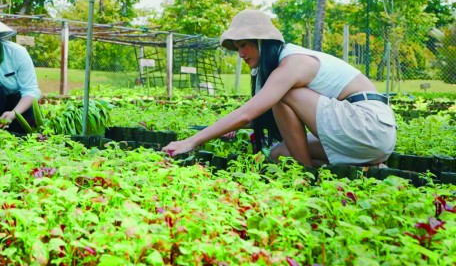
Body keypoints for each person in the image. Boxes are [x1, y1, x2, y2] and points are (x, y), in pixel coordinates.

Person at [162, 9, 397, 167]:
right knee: (277, 154)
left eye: (244, 45)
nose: (241, 54)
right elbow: (255, 116)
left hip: (366, 126)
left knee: (282, 95)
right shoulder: (282, 68)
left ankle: (307, 175)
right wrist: (228, 128)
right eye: (237, 48)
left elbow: (249, 111)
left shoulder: (292, 62)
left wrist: (190, 142)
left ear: (263, 42)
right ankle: (362, 166)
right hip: (368, 141)